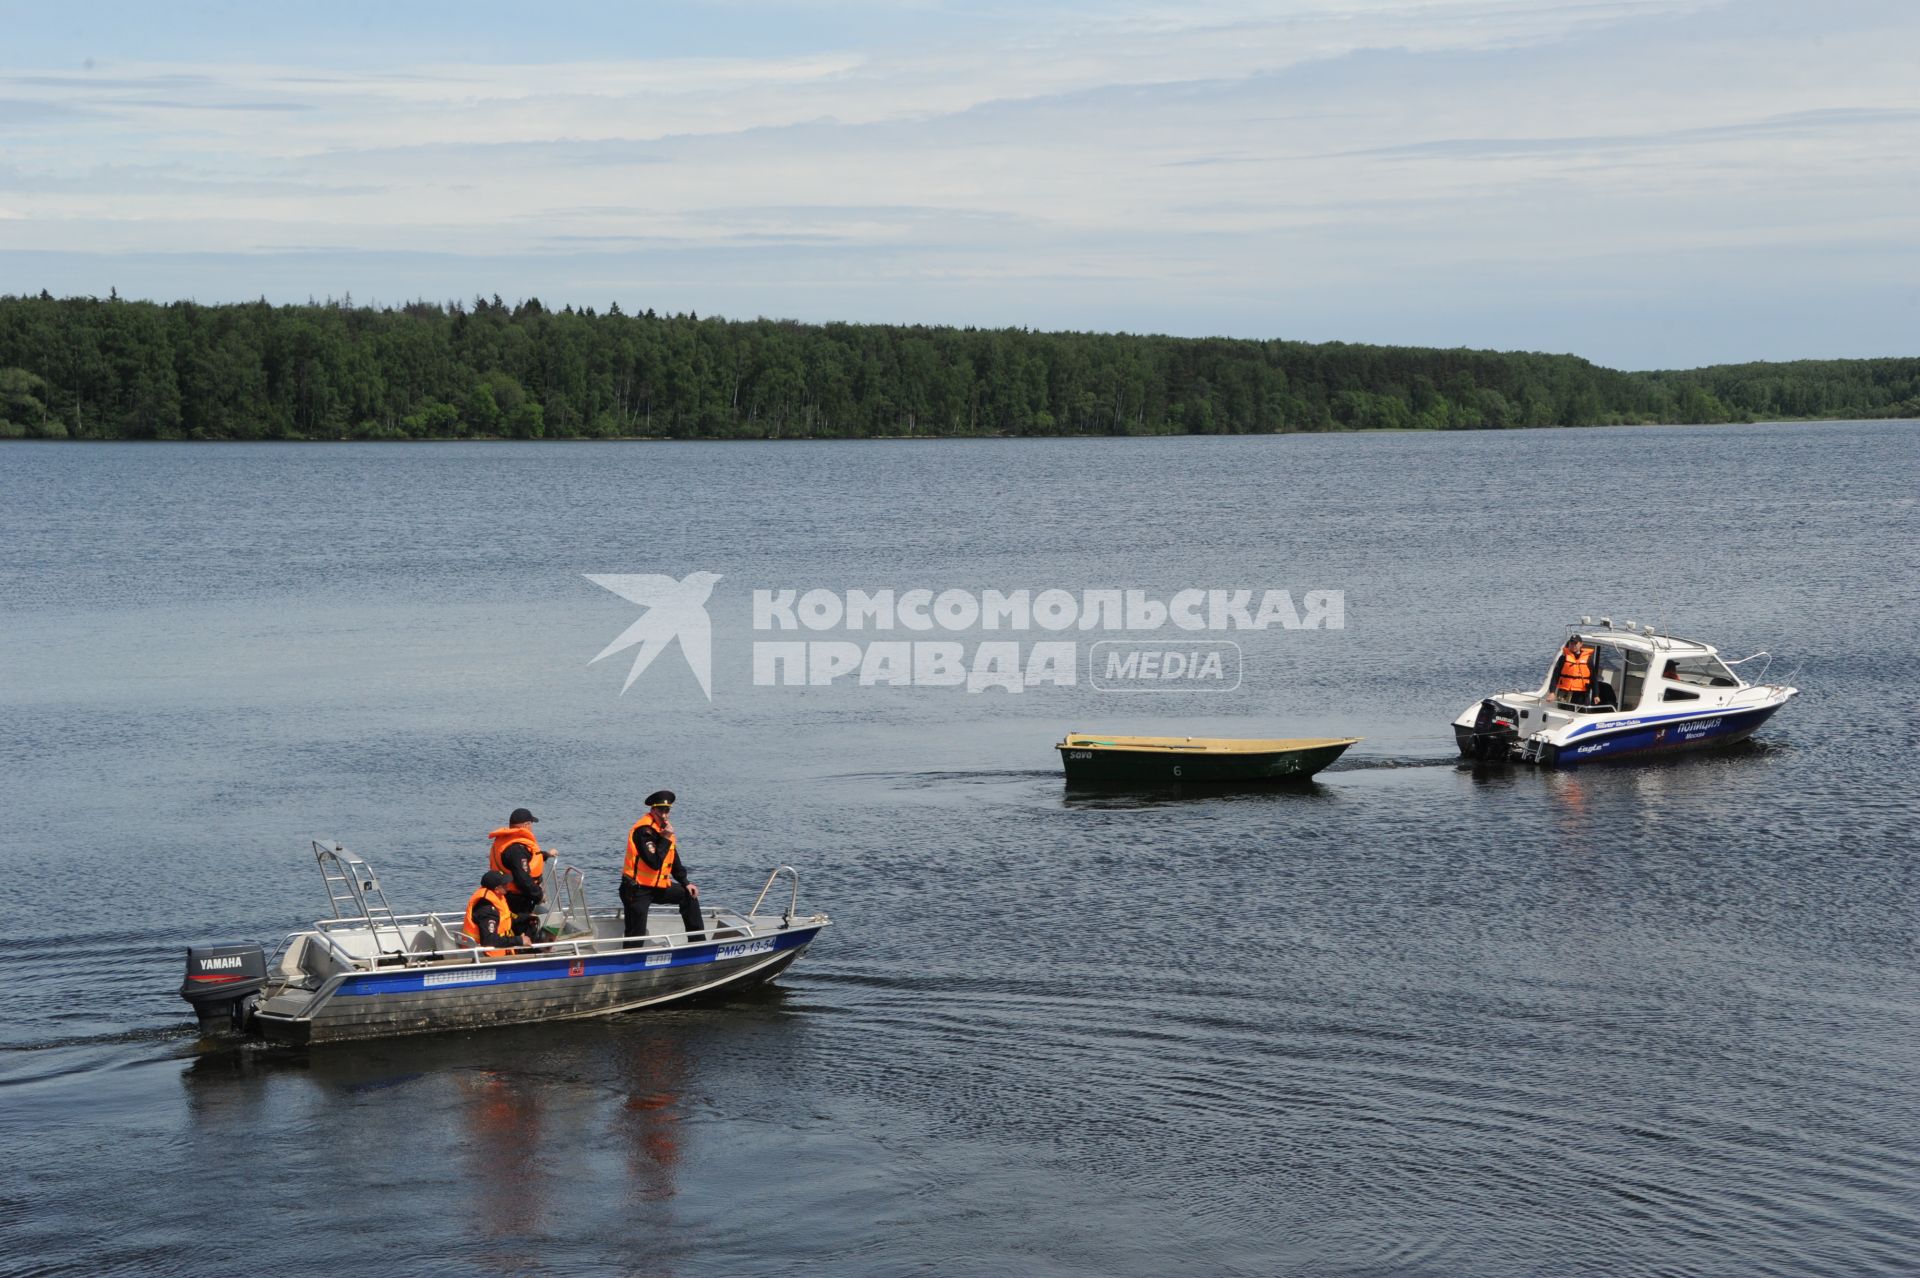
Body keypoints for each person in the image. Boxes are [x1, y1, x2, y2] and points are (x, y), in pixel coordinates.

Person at [620, 790, 704, 944]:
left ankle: (698, 943)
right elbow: (654, 863)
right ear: (653, 810)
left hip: (657, 886)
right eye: (661, 810)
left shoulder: (663, 829)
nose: (664, 815)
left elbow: (673, 859)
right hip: (637, 890)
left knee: (688, 895)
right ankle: (631, 962)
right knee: (635, 936)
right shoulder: (643, 831)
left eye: (667, 810)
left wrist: (685, 882)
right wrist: (665, 838)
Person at [487, 808, 546, 940]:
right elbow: (523, 879)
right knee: (524, 930)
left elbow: (525, 861)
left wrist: (545, 855)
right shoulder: (516, 849)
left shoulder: (505, 842)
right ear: (526, 825)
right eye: (532, 824)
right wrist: (538, 894)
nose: (532, 828)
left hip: (506, 894)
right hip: (517, 900)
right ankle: (527, 952)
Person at [463, 870, 533, 956]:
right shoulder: (487, 910)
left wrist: (526, 917)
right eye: (505, 885)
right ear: (496, 889)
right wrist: (519, 940)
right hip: (490, 957)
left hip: (501, 950)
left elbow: (505, 919)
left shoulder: (496, 897)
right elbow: (489, 940)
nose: (508, 886)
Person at [1554, 636, 1595, 705]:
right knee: (1565, 711)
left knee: (1584, 711)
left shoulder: (1588, 659)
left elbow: (1594, 678)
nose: (1573, 645)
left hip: (1582, 693)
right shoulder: (1563, 658)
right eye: (1571, 643)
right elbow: (1555, 676)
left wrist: (1596, 695)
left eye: (1575, 643)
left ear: (1581, 644)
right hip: (1566, 692)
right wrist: (1552, 692)